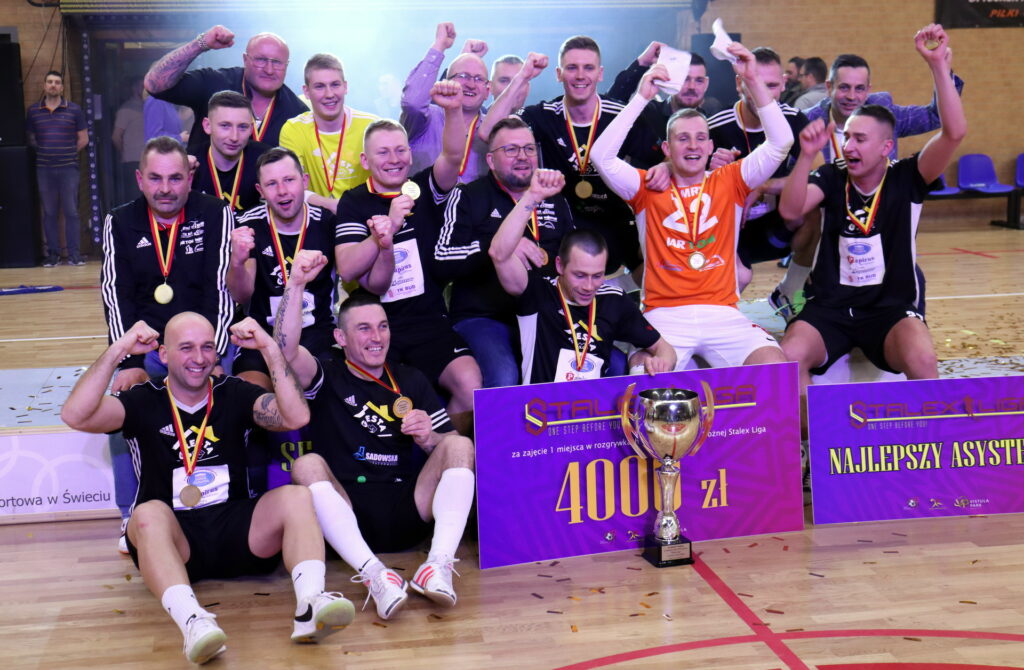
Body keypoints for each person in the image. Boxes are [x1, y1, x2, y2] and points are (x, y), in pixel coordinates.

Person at [61, 313, 354, 664]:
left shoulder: (234, 392)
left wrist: (269, 348)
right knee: (147, 515)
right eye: (186, 348)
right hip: (176, 542)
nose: (199, 358)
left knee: (297, 497)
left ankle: (310, 604)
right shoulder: (142, 400)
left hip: (237, 533)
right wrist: (118, 350)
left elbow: (296, 417)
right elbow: (75, 415)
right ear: (164, 355)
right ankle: (194, 623)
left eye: (207, 347)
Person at [274, 260, 476, 621]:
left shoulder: (409, 379)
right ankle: (374, 574)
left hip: (405, 506)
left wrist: (429, 437)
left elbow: (450, 448)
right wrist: (297, 284)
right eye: (364, 328)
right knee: (306, 465)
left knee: (460, 445)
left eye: (382, 327)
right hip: (347, 509)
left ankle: (437, 565)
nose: (377, 337)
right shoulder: (327, 374)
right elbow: (286, 351)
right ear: (341, 338)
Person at [778, 24, 965, 396]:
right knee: (787, 359)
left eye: (860, 139)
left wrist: (937, 66)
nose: (849, 146)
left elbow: (953, 132)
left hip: (888, 308)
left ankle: (927, 430)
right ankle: (811, 430)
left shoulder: (907, 176)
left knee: (924, 359)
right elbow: (790, 210)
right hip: (830, 307)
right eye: (847, 137)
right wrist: (807, 157)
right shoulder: (833, 174)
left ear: (886, 147)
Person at [590, 43, 793, 370]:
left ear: (711, 145)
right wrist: (641, 97)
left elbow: (781, 142)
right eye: (682, 138)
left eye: (700, 138)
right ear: (667, 149)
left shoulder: (731, 179)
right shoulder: (647, 185)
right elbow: (601, 157)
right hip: (664, 315)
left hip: (723, 313)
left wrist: (753, 79)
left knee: (776, 369)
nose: (693, 145)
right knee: (645, 375)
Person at [102, 136, 233, 551]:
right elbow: (115, 295)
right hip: (147, 349)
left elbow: (220, 289)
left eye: (175, 178)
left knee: (231, 400)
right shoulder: (119, 222)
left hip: (202, 345)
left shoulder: (215, 213)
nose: (165, 188)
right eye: (155, 178)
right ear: (140, 179)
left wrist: (211, 354)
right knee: (120, 407)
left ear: (189, 178)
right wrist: (129, 362)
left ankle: (232, 502)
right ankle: (131, 514)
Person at [335, 81, 481, 434]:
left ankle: (444, 453)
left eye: (400, 150)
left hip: (429, 320)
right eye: (383, 153)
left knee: (471, 387)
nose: (394, 159)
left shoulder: (423, 189)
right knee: (390, 407)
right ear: (366, 161)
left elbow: (452, 157)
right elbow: (348, 268)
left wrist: (453, 109)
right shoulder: (355, 201)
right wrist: (385, 231)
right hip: (379, 328)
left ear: (410, 154)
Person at [492, 36, 658, 274]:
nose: (580, 75)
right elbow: (490, 132)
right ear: (558, 74)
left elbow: (664, 161)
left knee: (650, 272)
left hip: (614, 226)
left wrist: (666, 167)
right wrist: (522, 77)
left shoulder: (621, 116)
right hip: (559, 230)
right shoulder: (544, 114)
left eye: (588, 68)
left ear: (600, 73)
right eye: (571, 68)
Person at [434, 116, 575, 388]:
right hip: (484, 317)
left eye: (529, 148)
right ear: (490, 160)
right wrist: (498, 244)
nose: (522, 156)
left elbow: (572, 255)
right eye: (510, 150)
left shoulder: (554, 197)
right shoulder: (468, 196)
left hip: (546, 315)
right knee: (505, 376)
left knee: (609, 363)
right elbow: (442, 259)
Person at [489, 177, 677, 381]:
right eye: (580, 275)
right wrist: (532, 196)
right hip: (541, 401)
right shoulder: (538, 293)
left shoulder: (613, 300)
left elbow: (665, 350)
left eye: (597, 276)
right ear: (560, 265)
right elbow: (499, 254)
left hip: (594, 401)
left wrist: (662, 362)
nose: (589, 286)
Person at [230, 148, 337, 389]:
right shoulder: (247, 225)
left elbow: (353, 274)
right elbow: (241, 295)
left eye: (289, 180)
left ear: (304, 181)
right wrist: (237, 261)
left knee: (327, 392)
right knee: (248, 394)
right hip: (260, 333)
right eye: (271, 184)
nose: (282, 191)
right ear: (260, 191)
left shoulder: (327, 223)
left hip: (316, 332)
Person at [706, 47, 809, 290]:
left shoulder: (794, 120)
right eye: (755, 84)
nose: (763, 94)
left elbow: (816, 179)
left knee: (818, 209)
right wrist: (710, 173)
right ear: (739, 83)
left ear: (783, 84)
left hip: (775, 228)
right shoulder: (714, 126)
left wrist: (763, 187)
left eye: (770, 85)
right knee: (739, 278)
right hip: (728, 231)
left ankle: (790, 291)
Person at [144, 26, 308, 154]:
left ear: (287, 65)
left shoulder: (297, 113)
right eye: (260, 60)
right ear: (245, 59)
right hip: (204, 186)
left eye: (277, 62)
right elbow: (154, 84)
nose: (269, 69)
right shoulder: (214, 83)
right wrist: (201, 44)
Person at [279, 53, 379, 212]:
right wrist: (333, 205)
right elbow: (290, 185)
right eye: (320, 86)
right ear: (306, 91)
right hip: (314, 218)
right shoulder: (293, 129)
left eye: (335, 85)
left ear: (345, 87)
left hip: (364, 215)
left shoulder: (371, 126)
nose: (329, 94)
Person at [401, 23, 492, 182]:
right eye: (463, 76)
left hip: (473, 199)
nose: (471, 84)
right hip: (421, 198)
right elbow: (412, 102)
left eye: (478, 79)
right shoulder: (427, 118)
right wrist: (440, 45)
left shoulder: (492, 129)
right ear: (447, 81)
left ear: (487, 91)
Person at [608, 53, 715, 170]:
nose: (692, 87)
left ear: (706, 84)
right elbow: (607, 111)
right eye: (685, 79)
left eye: (699, 80)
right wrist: (641, 64)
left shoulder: (712, 126)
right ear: (672, 80)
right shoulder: (645, 114)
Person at [26, 70, 88, 267]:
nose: (53, 85)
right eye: (50, 82)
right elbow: (31, 139)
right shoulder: (33, 111)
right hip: (44, 169)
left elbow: (83, 139)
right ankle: (53, 255)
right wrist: (47, 152)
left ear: (62, 87)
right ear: (44, 85)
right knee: (49, 213)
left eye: (57, 82)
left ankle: (74, 255)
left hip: (69, 168)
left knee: (71, 212)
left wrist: (67, 153)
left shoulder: (74, 110)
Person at [191, 91, 271, 212]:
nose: (234, 137)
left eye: (242, 127)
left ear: (251, 129)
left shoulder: (267, 161)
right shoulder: (188, 163)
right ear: (207, 126)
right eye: (225, 126)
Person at [113, 77, 145, 204]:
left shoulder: (148, 107)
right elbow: (116, 137)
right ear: (134, 88)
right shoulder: (126, 109)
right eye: (141, 86)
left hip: (147, 160)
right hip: (132, 161)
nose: (144, 89)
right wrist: (125, 153)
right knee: (135, 197)